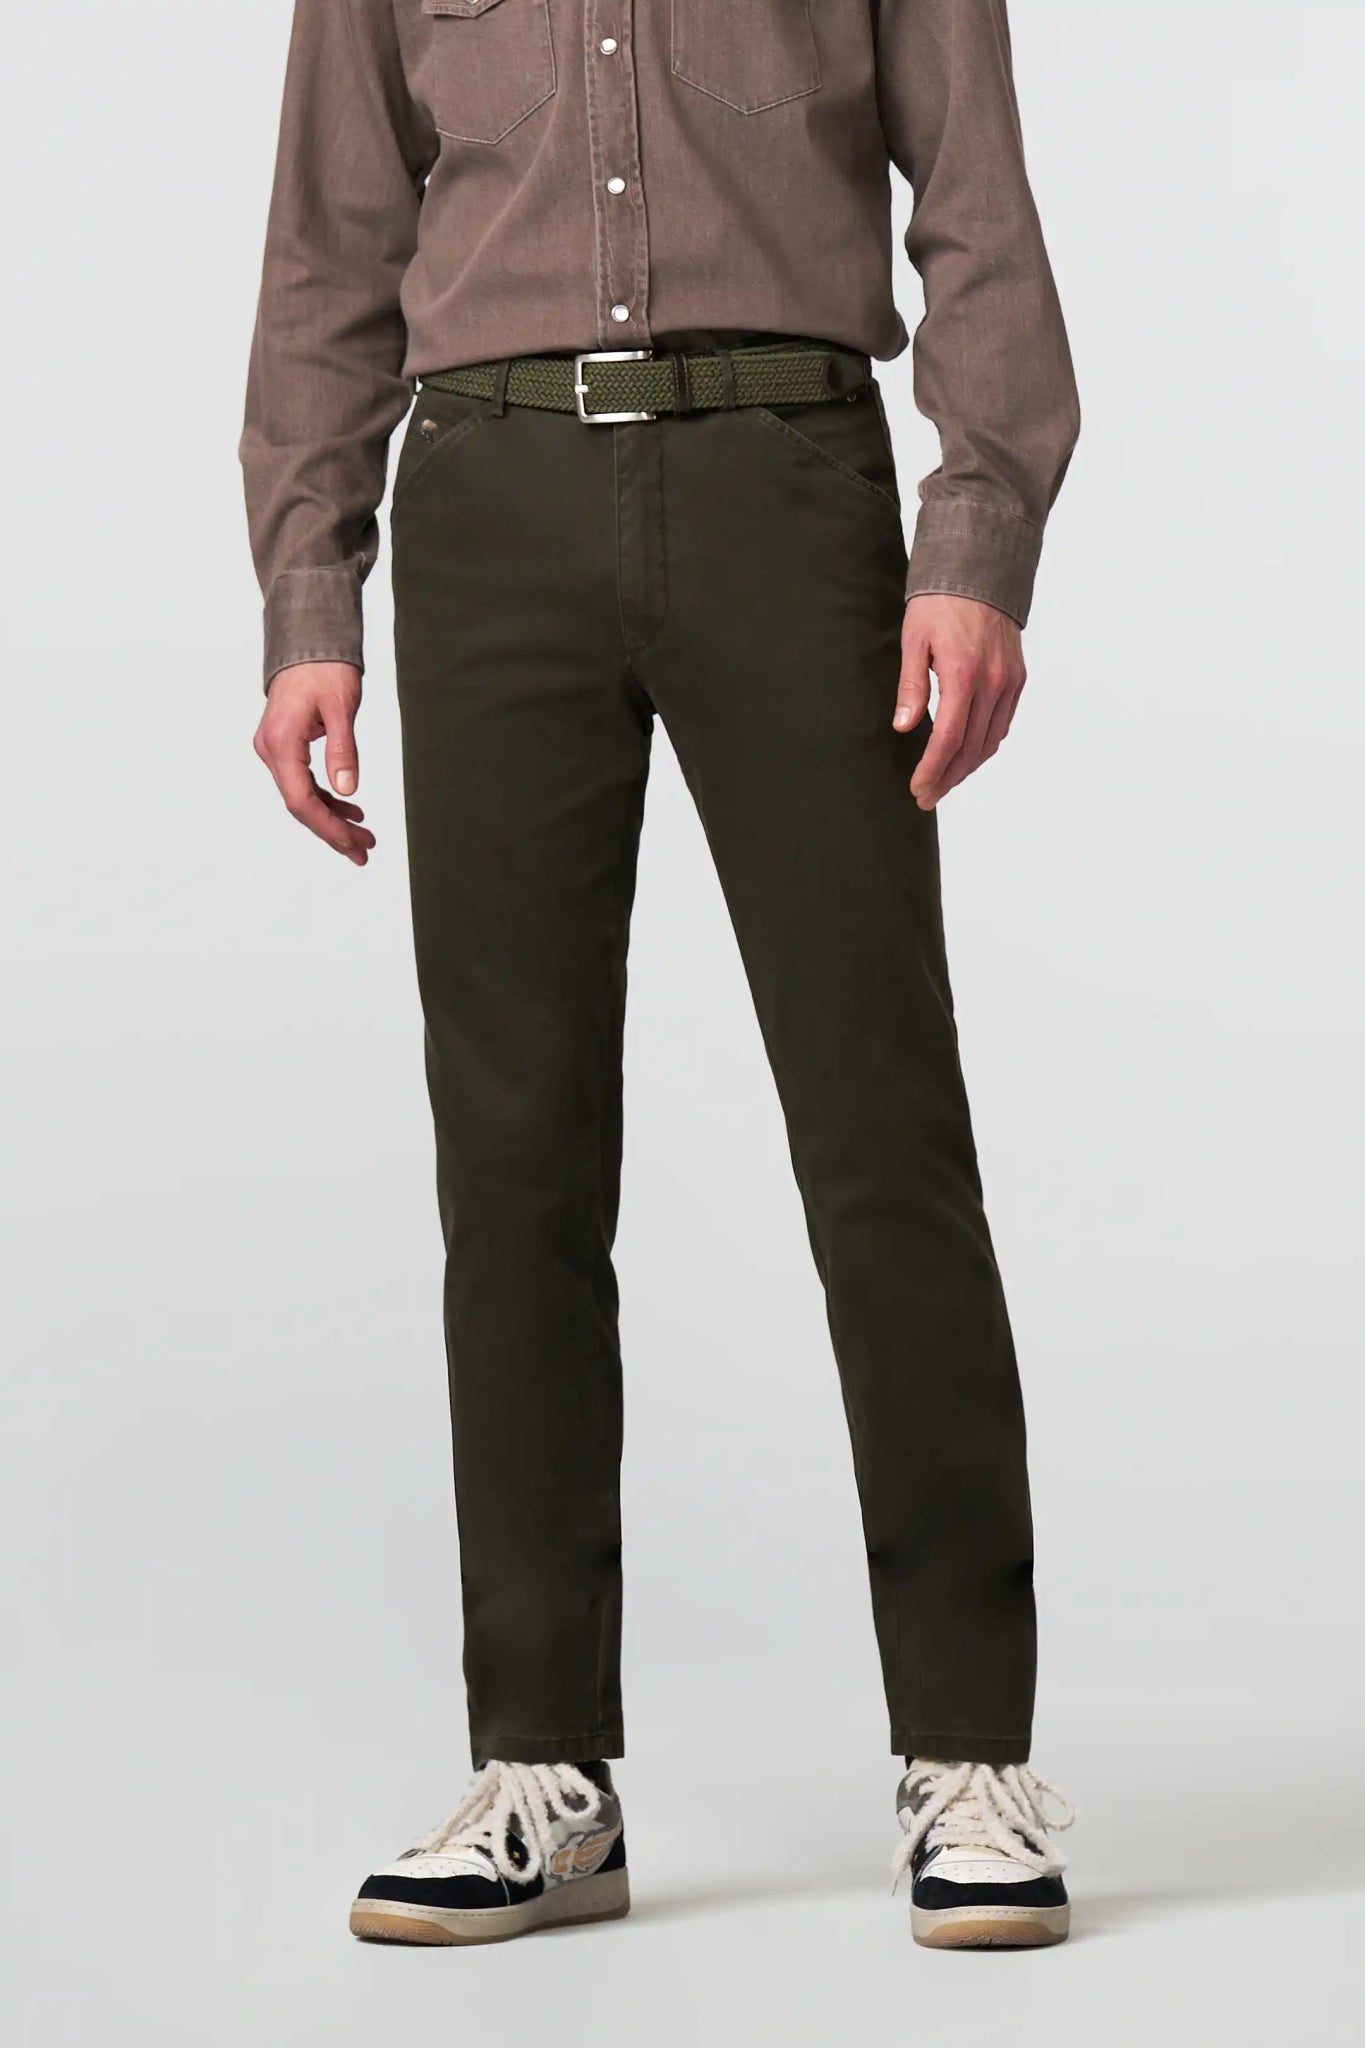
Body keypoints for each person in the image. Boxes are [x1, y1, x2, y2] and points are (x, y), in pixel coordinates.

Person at [241, 0, 1081, 1953]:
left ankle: (968, 1751)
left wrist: (974, 536)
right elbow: (327, 246)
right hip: (487, 506)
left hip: (785, 480)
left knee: (879, 1129)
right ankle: (541, 1766)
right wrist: (308, 597)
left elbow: (974, 206)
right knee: (513, 1158)